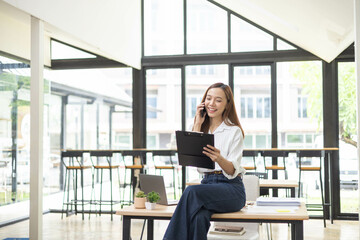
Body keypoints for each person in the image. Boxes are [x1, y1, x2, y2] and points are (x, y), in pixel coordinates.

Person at [163, 82, 246, 240]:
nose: (211, 103)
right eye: (208, 98)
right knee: (199, 218)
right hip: (207, 186)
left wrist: (219, 158)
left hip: (231, 189)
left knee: (190, 191)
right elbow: (192, 160)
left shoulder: (234, 131)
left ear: (227, 104)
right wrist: (197, 124)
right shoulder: (199, 127)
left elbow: (232, 171)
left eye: (218, 100)